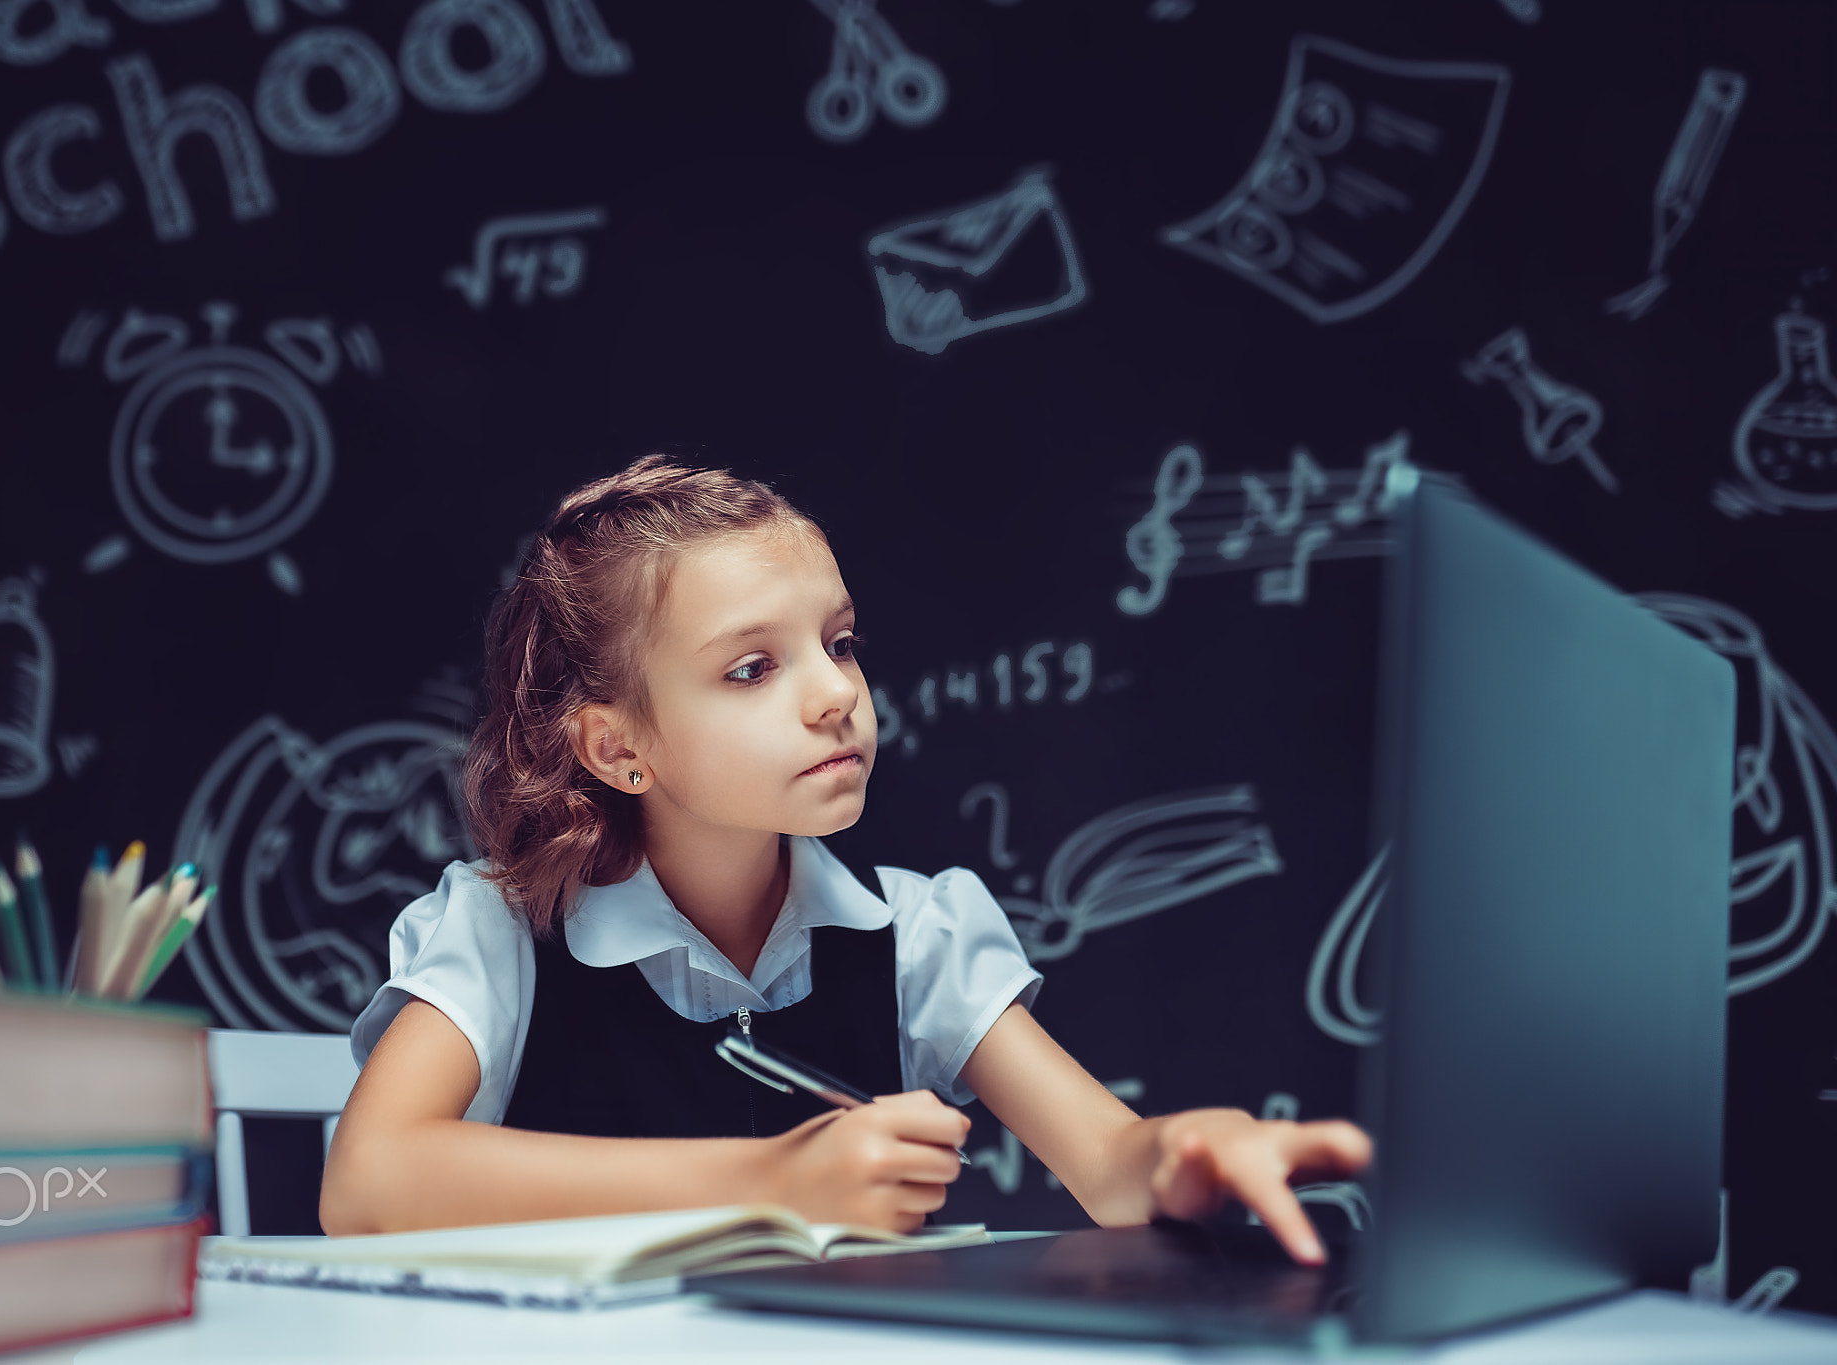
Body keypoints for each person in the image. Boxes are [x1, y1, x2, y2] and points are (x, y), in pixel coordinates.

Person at [320, 455, 1370, 1261]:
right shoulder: (501, 930)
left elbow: (1109, 1167)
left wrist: (1185, 1155)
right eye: (749, 668)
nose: (834, 694)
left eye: (839, 641)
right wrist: (773, 1178)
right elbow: (366, 1180)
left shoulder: (917, 933)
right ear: (616, 748)